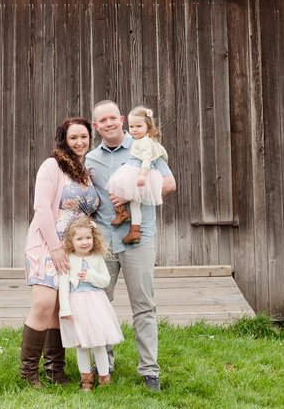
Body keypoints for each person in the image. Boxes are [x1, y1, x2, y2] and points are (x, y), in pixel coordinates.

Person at [85, 100, 176, 392]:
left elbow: (169, 184)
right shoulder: (91, 159)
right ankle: (104, 365)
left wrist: (130, 193)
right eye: (103, 120)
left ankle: (149, 371)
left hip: (140, 239)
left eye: (113, 117)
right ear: (96, 126)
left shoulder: (142, 144)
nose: (109, 123)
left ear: (122, 119)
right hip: (104, 242)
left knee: (144, 306)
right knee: (99, 303)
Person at [20, 116, 100, 387]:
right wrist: (55, 247)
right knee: (43, 303)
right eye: (73, 137)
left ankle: (56, 371)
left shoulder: (86, 171)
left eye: (84, 137)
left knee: (59, 307)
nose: (79, 142)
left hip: (74, 250)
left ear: (90, 138)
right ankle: (28, 373)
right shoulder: (52, 166)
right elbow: (42, 208)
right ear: (64, 141)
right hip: (47, 243)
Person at [57, 216, 124, 392]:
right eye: (79, 239)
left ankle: (104, 377)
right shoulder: (68, 258)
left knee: (99, 342)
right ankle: (85, 379)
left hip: (96, 303)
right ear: (71, 241)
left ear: (94, 238)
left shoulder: (97, 258)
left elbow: (105, 281)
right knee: (81, 344)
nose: (84, 242)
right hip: (76, 304)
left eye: (88, 237)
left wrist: (90, 276)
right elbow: (64, 285)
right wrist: (64, 308)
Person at [106, 106, 168, 245]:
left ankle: (122, 213)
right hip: (139, 172)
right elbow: (163, 152)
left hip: (138, 172)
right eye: (132, 126)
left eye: (139, 126)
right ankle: (135, 231)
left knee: (114, 186)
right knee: (135, 206)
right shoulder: (151, 142)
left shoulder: (144, 142)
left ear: (149, 127)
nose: (134, 129)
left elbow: (146, 159)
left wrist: (142, 175)